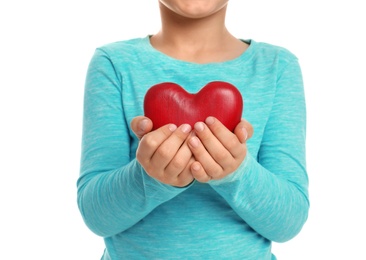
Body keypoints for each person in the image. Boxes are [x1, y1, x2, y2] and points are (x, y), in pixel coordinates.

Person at [77, 0, 309, 259]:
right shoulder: (113, 63)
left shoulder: (277, 66)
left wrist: (237, 173)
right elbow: (96, 216)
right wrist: (149, 177)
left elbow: (289, 222)